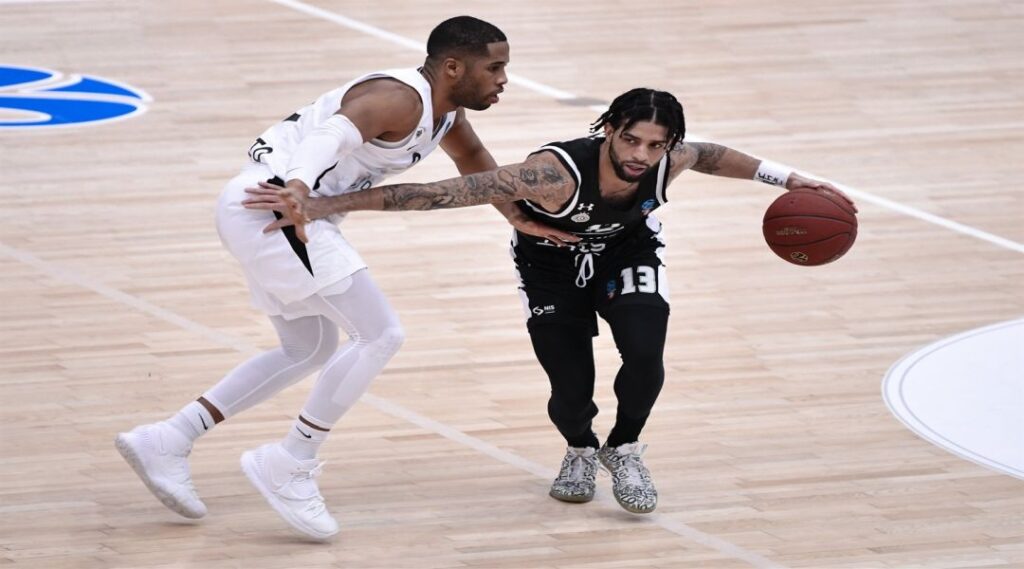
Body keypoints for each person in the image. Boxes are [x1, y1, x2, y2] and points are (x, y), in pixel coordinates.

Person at [243, 87, 858, 515]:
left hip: (626, 254)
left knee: (646, 353)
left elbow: (715, 155)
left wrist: (789, 178)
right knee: (570, 386)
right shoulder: (552, 174)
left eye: (655, 145)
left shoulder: (674, 158)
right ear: (610, 130)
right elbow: (444, 191)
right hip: (550, 267)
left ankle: (625, 448)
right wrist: (326, 203)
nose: (641, 155)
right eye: (632, 140)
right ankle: (580, 448)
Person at [114, 16, 572, 540]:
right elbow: (331, 133)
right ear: (452, 67)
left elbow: (472, 160)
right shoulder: (399, 98)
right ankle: (290, 461)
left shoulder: (446, 113)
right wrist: (297, 186)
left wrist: (514, 215)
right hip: (277, 206)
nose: (503, 79)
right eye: (495, 67)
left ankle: (167, 439)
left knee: (307, 348)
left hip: (279, 211)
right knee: (381, 334)